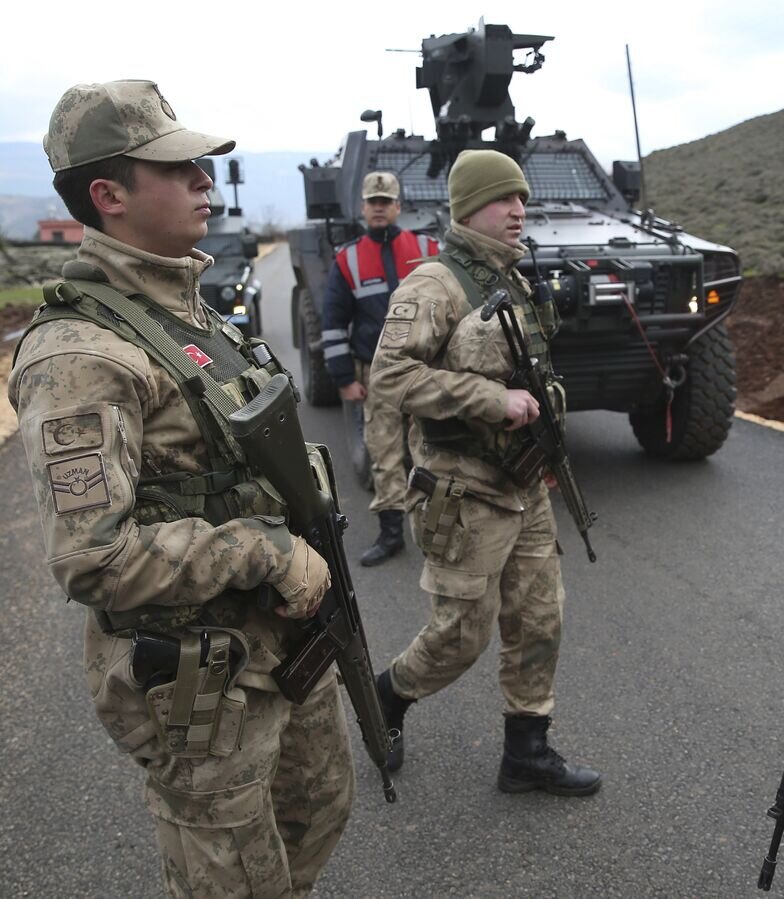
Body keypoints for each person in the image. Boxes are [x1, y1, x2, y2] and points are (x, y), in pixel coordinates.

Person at [10, 80, 354, 897]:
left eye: (202, 164)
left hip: (281, 645)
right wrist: (266, 553)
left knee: (320, 807)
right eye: (178, 167)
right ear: (109, 195)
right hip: (204, 679)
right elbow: (94, 558)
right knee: (234, 880)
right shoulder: (81, 357)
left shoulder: (191, 314)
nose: (205, 179)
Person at [370, 149, 601, 796]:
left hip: (521, 481)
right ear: (469, 206)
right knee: (461, 633)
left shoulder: (512, 276)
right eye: (505, 199)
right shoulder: (433, 285)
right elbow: (389, 376)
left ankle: (527, 751)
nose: (519, 210)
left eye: (522, 198)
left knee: (538, 614)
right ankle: (387, 694)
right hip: (463, 489)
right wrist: (491, 402)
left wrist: (542, 444)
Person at [321, 170, 439, 566]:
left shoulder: (427, 248)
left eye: (386, 201)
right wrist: (343, 378)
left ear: (398, 206)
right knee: (384, 455)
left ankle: (435, 530)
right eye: (373, 201)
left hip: (426, 371)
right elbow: (333, 322)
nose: (379, 207)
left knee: (431, 452)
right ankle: (392, 534)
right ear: (363, 207)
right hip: (376, 374)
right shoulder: (348, 259)